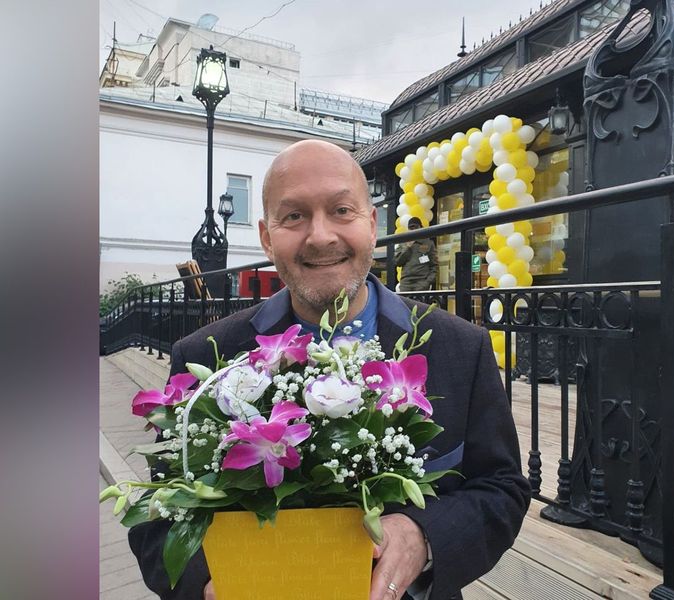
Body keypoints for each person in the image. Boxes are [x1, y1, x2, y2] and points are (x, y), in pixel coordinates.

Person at [128, 140, 531, 600]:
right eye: (293, 216)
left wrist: (423, 535)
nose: (320, 236)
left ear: (372, 225)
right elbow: (157, 519)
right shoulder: (205, 354)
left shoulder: (460, 348)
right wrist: (213, 581)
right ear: (266, 237)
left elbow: (502, 489)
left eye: (341, 210)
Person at [395, 217, 437, 292]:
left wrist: (427, 282)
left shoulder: (428, 243)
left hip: (421, 281)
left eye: (415, 227)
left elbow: (434, 266)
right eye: (411, 228)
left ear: (421, 227)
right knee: (404, 300)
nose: (413, 230)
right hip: (406, 283)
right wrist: (407, 247)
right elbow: (397, 262)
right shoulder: (403, 243)